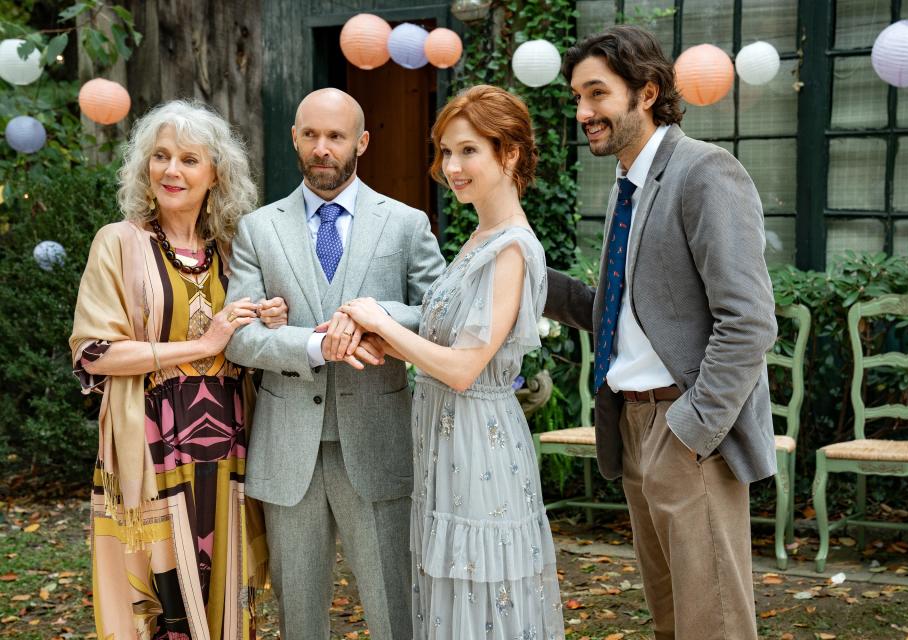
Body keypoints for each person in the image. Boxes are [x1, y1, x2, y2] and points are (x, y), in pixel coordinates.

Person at [544, 26, 778, 639]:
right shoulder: (629, 184)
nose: (583, 112)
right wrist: (525, 275)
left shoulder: (704, 173)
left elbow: (749, 320)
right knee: (673, 622)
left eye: (597, 94)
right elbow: (625, 309)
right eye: (577, 97)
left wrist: (694, 429)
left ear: (646, 92)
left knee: (714, 624)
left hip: (685, 428)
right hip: (631, 426)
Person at [338, 84, 564, 640]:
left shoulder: (510, 247)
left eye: (468, 151)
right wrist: (378, 339)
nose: (452, 167)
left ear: (508, 153)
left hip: (478, 440)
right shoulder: (479, 236)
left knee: (480, 593)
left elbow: (464, 368)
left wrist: (384, 320)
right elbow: (446, 343)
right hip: (444, 439)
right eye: (445, 151)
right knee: (450, 592)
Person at [223, 87, 446, 639]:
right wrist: (313, 346)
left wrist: (374, 317)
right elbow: (238, 338)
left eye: (337, 136)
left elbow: (440, 314)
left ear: (361, 142)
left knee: (396, 611)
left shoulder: (405, 223)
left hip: (378, 442)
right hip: (287, 449)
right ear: (296, 138)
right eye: (312, 135)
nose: (323, 148)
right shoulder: (257, 229)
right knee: (298, 619)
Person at [70, 99, 286, 639]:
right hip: (150, 443)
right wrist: (201, 344)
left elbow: (253, 348)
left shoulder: (235, 251)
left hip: (229, 445)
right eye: (161, 156)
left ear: (216, 173)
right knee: (162, 596)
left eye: (190, 159)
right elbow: (94, 352)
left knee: (225, 585)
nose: (172, 170)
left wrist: (270, 321)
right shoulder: (118, 242)